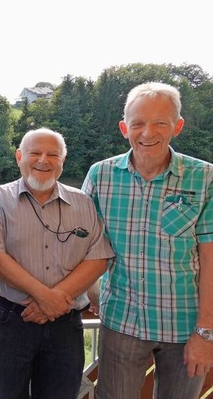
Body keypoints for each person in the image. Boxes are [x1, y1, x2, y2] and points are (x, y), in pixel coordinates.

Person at [82, 82, 213, 399]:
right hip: (121, 322)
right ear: (124, 128)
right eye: (138, 123)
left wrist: (205, 333)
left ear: (177, 127)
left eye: (160, 123)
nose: (147, 132)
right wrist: (91, 292)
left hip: (185, 326)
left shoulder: (205, 177)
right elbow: (81, 242)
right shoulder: (101, 175)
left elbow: (210, 259)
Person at [0, 128, 113, 399]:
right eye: (35, 153)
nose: (43, 160)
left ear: (63, 160)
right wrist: (45, 297)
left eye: (53, 154)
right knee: (6, 394)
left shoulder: (83, 202)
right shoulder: (0, 197)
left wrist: (55, 300)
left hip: (65, 323)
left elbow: (98, 257)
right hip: (12, 321)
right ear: (19, 157)